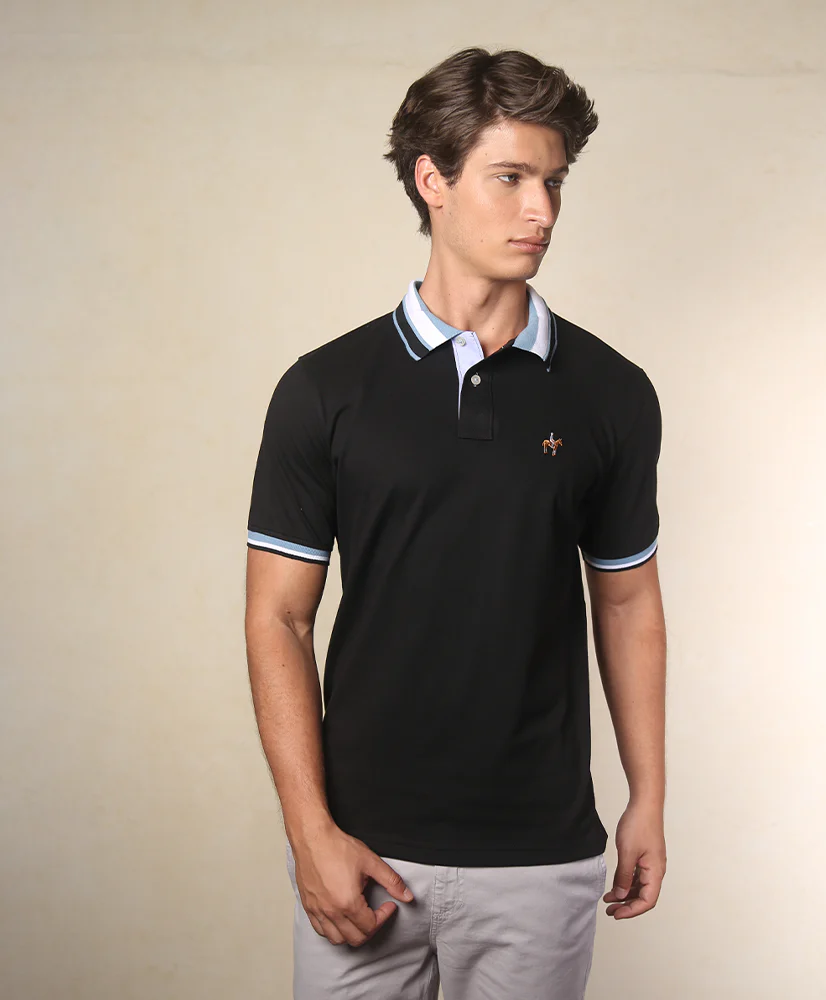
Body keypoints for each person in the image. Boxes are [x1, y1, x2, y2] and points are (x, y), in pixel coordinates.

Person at [244, 45, 667, 1000]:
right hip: (361, 853)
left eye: (553, 182)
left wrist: (648, 797)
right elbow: (278, 618)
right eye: (510, 178)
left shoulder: (611, 393)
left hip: (538, 857)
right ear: (431, 180)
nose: (541, 210)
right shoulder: (325, 390)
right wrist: (310, 833)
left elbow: (628, 601)